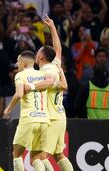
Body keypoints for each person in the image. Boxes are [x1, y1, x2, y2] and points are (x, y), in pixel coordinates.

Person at [28, 16, 73, 171]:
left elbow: (51, 81)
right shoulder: (54, 64)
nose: (35, 54)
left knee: (36, 157)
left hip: (51, 118)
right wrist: (52, 27)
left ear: (41, 57)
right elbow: (58, 49)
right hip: (60, 116)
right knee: (59, 155)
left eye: (37, 52)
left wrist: (30, 87)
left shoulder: (47, 70)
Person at [3, 51, 50, 171]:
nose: (16, 65)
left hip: (29, 119)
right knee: (36, 158)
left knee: (17, 154)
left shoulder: (20, 75)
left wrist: (8, 109)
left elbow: (19, 94)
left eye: (18, 62)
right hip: (44, 119)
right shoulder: (43, 74)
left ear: (23, 63)